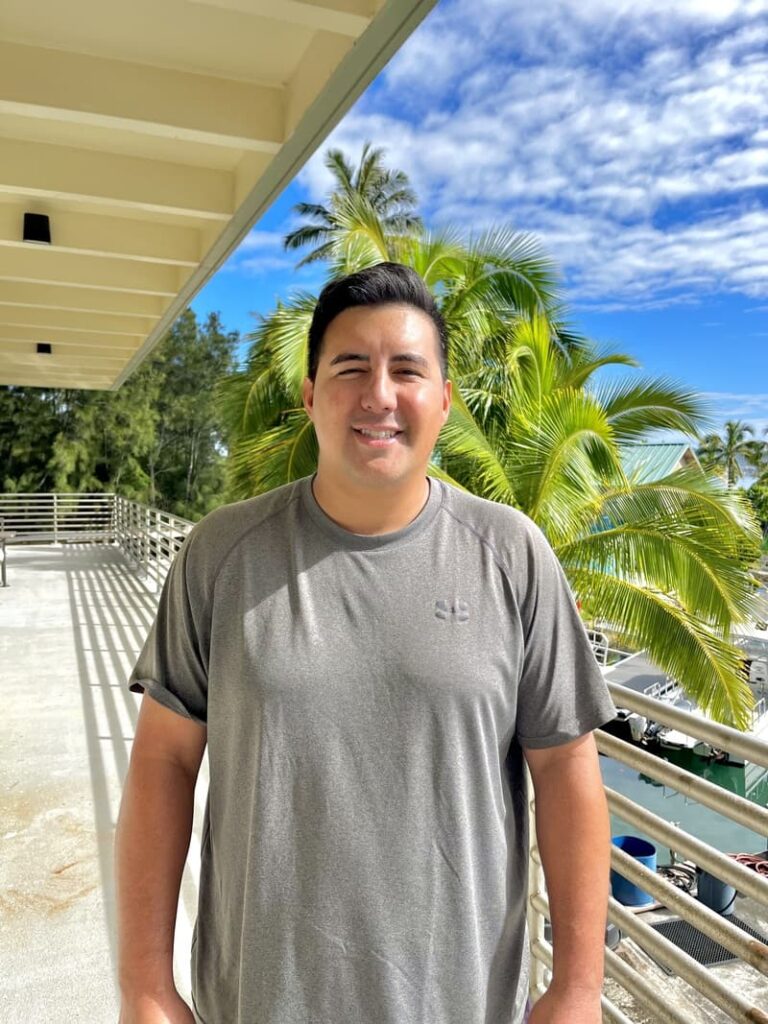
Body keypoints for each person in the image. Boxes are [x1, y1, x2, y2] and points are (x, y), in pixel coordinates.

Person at [115, 262, 615, 1024]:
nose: (379, 395)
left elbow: (567, 770)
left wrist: (577, 990)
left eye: (407, 371)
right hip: (257, 1003)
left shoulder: (512, 555)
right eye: (351, 367)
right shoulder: (222, 554)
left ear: (443, 400)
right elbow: (164, 762)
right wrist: (145, 990)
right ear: (311, 394)